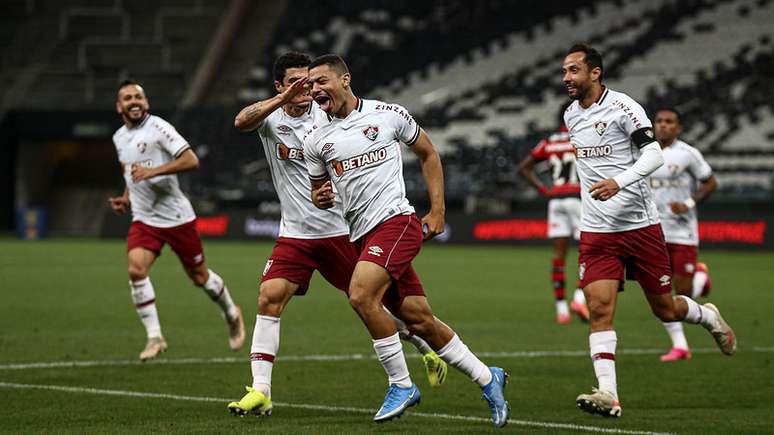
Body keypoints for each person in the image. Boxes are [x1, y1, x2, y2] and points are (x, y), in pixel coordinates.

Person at [225, 53, 447, 417]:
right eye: (295, 82)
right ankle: (261, 390)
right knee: (269, 296)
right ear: (279, 87)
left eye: (309, 81)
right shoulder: (271, 119)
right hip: (295, 234)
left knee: (378, 304)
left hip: (341, 232)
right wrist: (281, 101)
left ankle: (426, 348)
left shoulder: (327, 115)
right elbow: (240, 122)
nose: (305, 88)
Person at [304, 54, 509, 427]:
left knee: (361, 296)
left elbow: (428, 153)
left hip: (396, 222)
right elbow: (319, 189)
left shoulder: (388, 114)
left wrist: (438, 211)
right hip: (360, 235)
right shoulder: (316, 140)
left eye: (321, 81)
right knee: (419, 320)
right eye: (311, 84)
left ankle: (401, 384)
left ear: (344, 79)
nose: (315, 89)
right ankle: (487, 377)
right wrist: (319, 195)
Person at [561, 44, 736, 417]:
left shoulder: (624, 107)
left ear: (595, 73)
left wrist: (618, 182)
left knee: (666, 309)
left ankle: (706, 315)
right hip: (596, 231)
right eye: (564, 71)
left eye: (574, 70)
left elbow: (654, 155)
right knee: (599, 309)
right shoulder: (571, 114)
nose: (566, 78)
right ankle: (608, 393)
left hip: (640, 227)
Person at [108, 80, 245, 361]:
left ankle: (231, 313)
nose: (134, 101)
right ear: (119, 106)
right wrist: (126, 197)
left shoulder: (158, 127)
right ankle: (155, 337)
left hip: (177, 219)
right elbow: (129, 172)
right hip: (145, 219)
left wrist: (154, 171)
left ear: (145, 103)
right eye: (127, 98)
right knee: (136, 270)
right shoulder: (119, 137)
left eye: (138, 97)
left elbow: (191, 160)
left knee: (200, 278)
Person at [649, 107, 718, 362]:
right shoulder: (645, 152)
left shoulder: (688, 154)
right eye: (659, 121)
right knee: (661, 294)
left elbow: (710, 182)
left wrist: (688, 204)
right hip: (654, 231)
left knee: (684, 293)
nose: (664, 126)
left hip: (682, 231)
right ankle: (680, 346)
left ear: (678, 128)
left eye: (670, 122)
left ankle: (700, 278)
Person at [518, 104, 589, 324]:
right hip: (578, 199)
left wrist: (543, 190)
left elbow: (523, 167)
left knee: (559, 257)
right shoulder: (583, 137)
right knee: (589, 253)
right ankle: (578, 298)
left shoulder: (549, 142)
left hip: (556, 200)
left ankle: (561, 311)